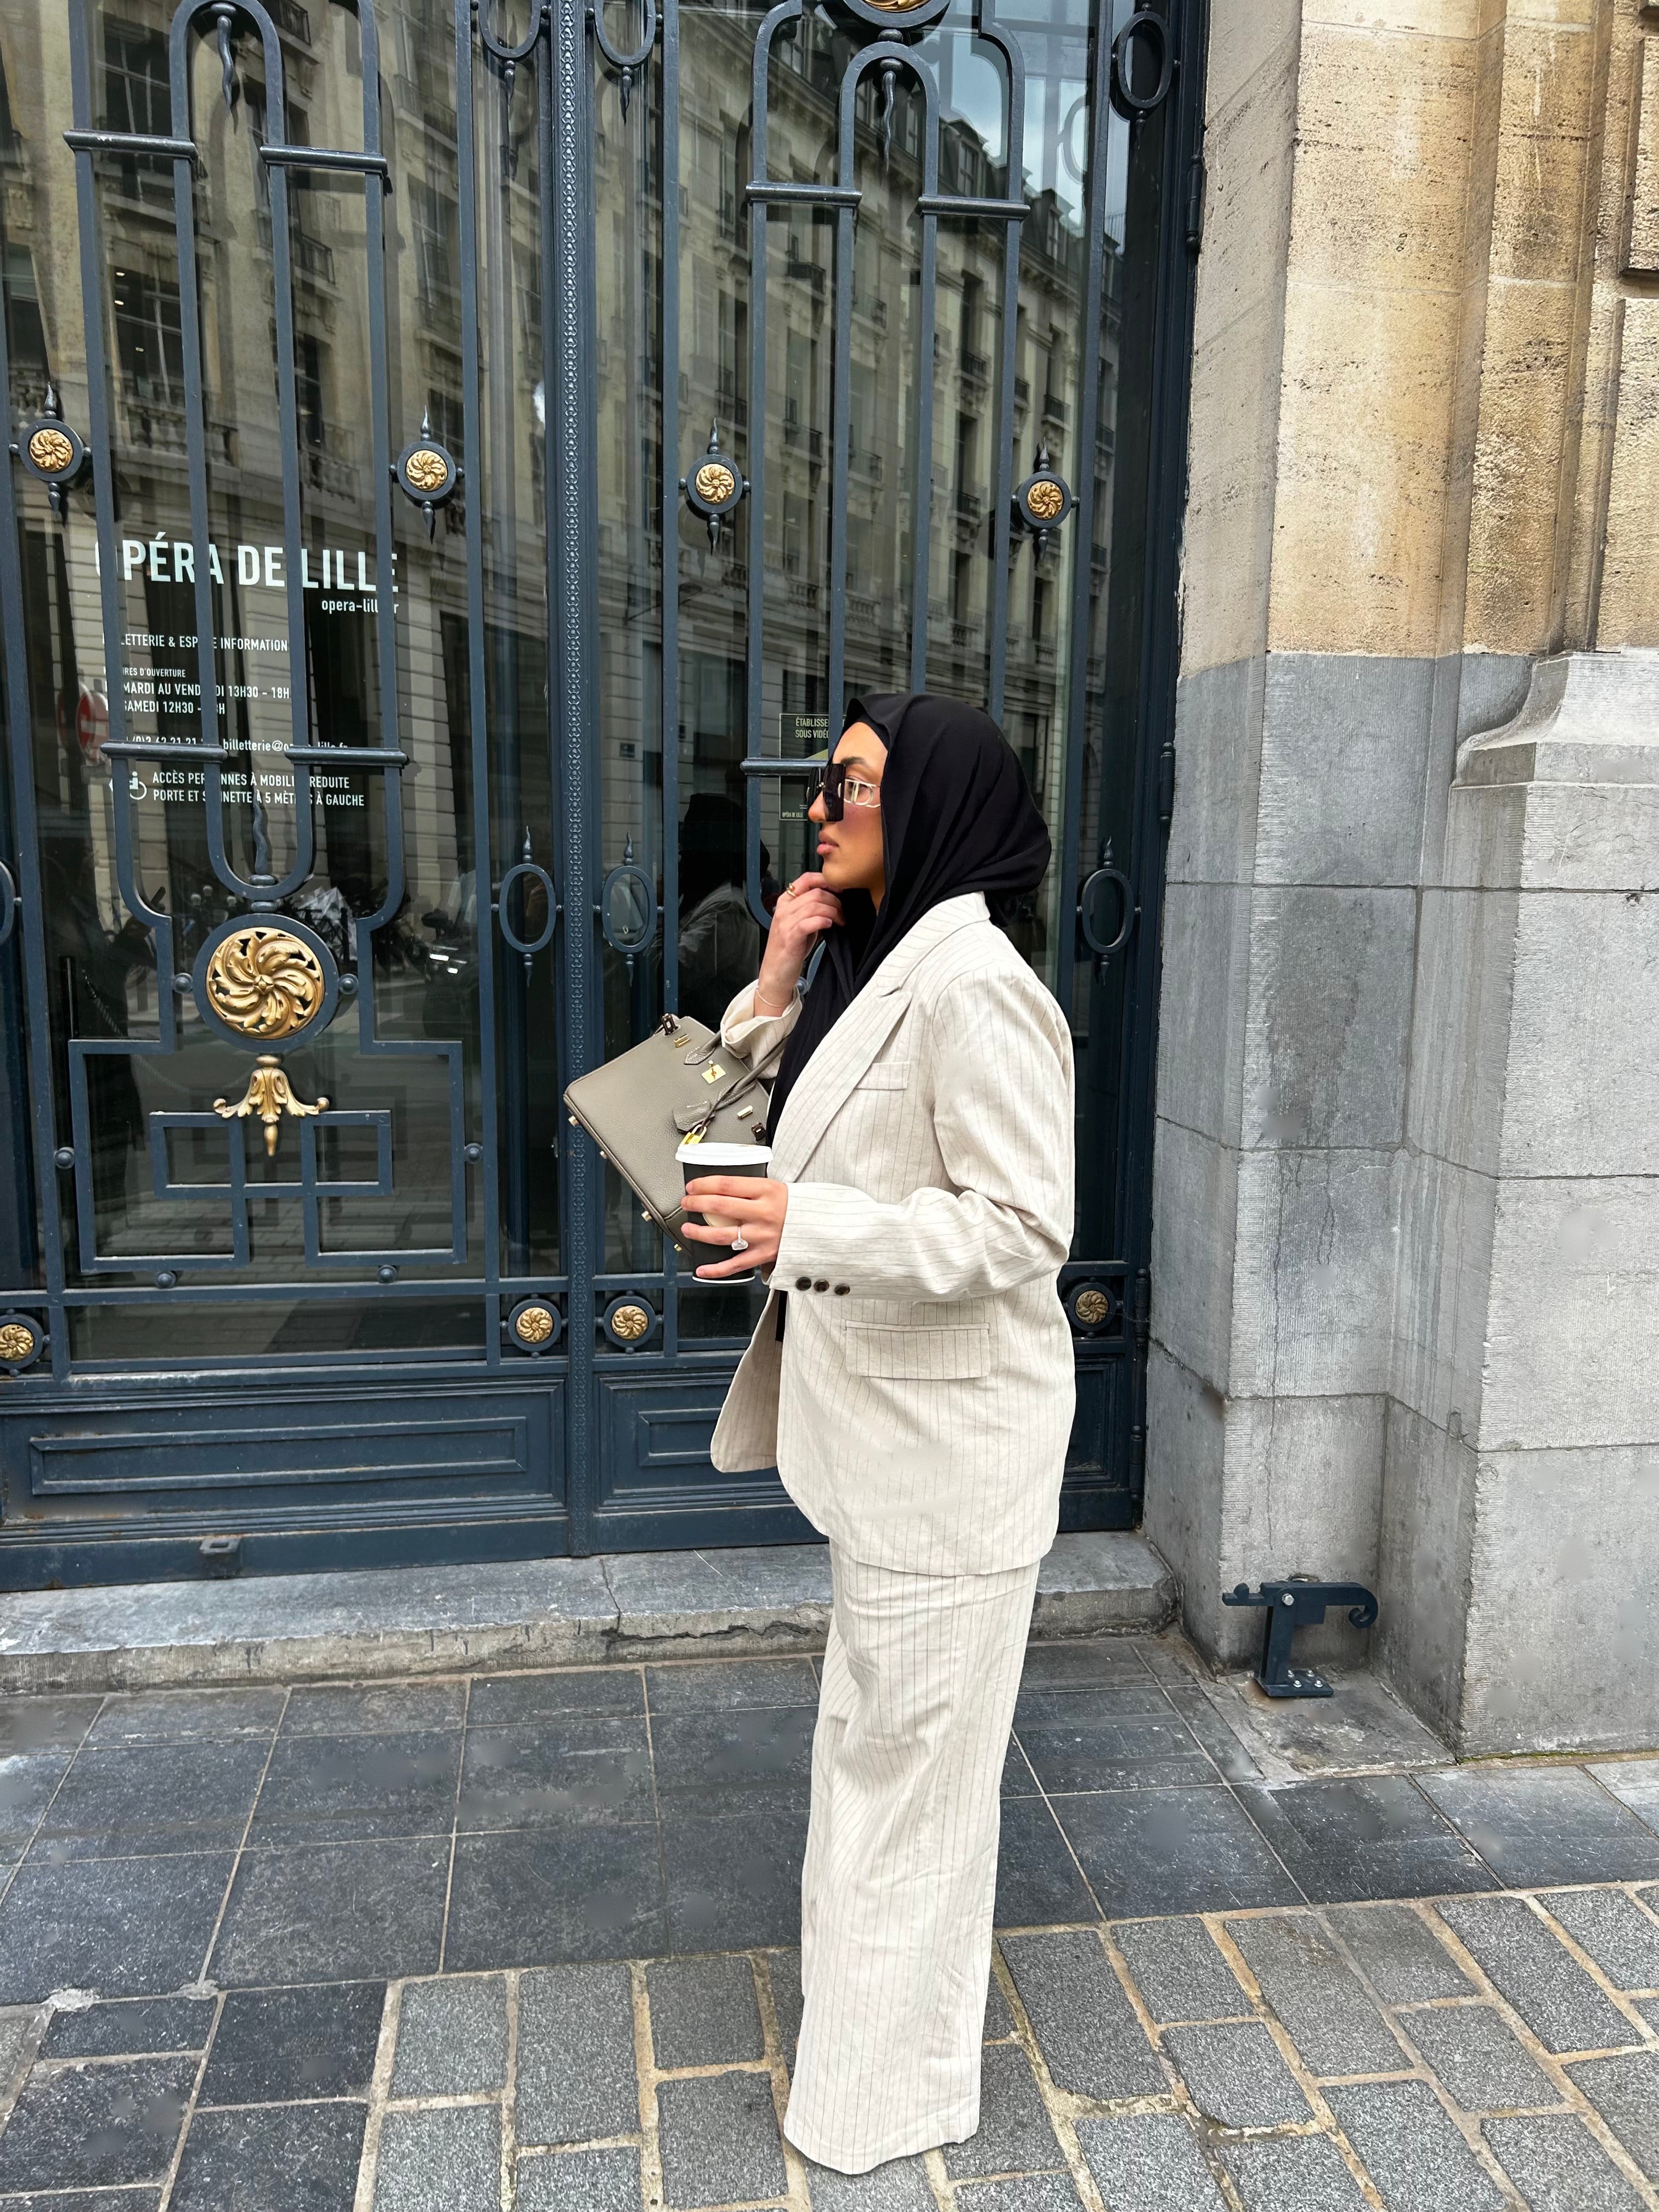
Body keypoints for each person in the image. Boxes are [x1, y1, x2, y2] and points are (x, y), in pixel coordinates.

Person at [681, 692, 1075, 2176]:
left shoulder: (976, 987)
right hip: (889, 1452)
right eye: (825, 781)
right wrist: (776, 973)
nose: (819, 807)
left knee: (907, 1788)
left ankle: (884, 2103)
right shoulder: (873, 964)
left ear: (933, 803)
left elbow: (1025, 1226)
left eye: (849, 783)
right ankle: (868, 2062)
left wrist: (812, 1227)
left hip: (951, 1463)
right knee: (881, 1761)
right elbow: (719, 1143)